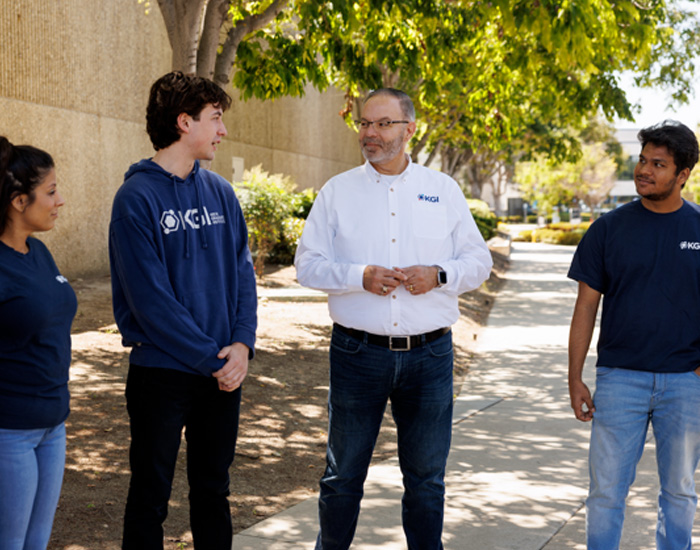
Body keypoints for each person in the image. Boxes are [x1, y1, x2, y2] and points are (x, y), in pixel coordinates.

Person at [295, 88, 493, 550]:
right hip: (357, 354)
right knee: (342, 476)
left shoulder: (443, 190)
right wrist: (357, 276)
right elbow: (308, 265)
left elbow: (478, 262)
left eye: (384, 124)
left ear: (409, 129)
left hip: (430, 357)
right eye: (365, 123)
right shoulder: (337, 191)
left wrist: (439, 274)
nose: (371, 133)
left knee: (426, 480)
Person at [109, 71, 257, 550]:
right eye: (215, 119)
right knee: (150, 496)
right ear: (183, 121)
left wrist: (242, 345)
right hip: (162, 374)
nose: (223, 130)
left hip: (222, 371)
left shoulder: (221, 194)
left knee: (214, 490)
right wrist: (212, 358)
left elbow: (243, 275)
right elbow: (150, 302)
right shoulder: (136, 198)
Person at [568, 120, 700, 550]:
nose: (644, 170)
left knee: (679, 492)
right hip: (620, 379)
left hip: (685, 381)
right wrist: (575, 377)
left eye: (658, 164)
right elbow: (586, 305)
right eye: (642, 160)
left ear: (683, 174)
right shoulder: (609, 228)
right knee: (606, 492)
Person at [0, 137, 76, 550]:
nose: (59, 200)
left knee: (36, 543)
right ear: (17, 200)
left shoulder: (39, 253)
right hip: (8, 431)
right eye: (50, 191)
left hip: (52, 424)